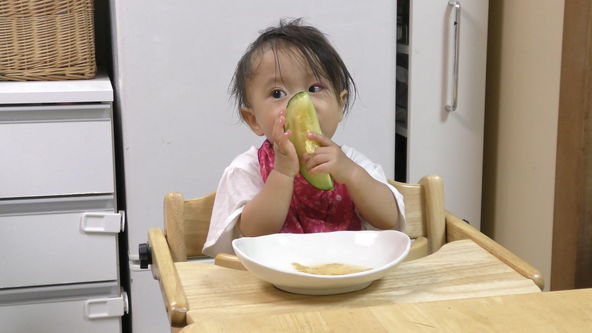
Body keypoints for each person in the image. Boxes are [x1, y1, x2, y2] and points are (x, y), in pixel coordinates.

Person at [202, 19, 405, 257]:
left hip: (344, 276)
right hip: (271, 285)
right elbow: (253, 232)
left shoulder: (352, 162)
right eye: (278, 93)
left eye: (315, 88)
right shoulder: (247, 170)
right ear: (253, 119)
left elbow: (388, 219)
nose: (302, 102)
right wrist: (282, 174)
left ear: (340, 105)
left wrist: (351, 174)